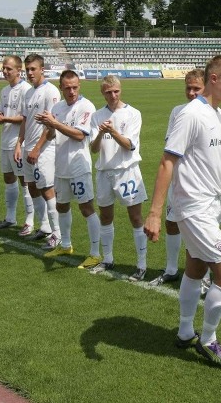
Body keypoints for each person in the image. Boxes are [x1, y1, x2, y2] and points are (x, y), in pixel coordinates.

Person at [144, 54, 221, 367]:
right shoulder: (190, 115)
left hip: (210, 204)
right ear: (213, 79)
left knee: (195, 269)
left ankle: (186, 331)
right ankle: (209, 339)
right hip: (193, 207)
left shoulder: (216, 115)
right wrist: (154, 213)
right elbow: (168, 161)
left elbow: (205, 161)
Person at [35, 70, 100, 260]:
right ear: (61, 88)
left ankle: (95, 254)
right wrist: (47, 128)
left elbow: (80, 135)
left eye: (74, 87)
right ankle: (65, 244)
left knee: (86, 208)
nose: (71, 91)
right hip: (61, 166)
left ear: (79, 86)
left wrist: (54, 123)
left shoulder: (86, 106)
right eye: (67, 88)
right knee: (61, 206)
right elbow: (52, 133)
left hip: (78, 167)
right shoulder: (57, 108)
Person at [89, 75, 148, 281]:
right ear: (102, 93)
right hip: (105, 172)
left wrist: (112, 131)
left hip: (127, 171)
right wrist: (99, 134)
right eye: (108, 92)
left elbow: (129, 145)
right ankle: (108, 259)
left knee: (135, 218)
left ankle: (141, 264)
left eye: (116, 91)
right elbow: (94, 149)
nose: (113, 95)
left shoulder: (133, 114)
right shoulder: (97, 116)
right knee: (106, 216)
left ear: (120, 90)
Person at [149, 68, 205, 287]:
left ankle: (205, 277)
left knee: (199, 229)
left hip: (200, 185)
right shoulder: (177, 112)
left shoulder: (215, 114)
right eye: (188, 88)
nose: (191, 93)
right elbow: (170, 148)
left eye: (196, 89)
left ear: (206, 88)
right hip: (177, 181)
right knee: (172, 223)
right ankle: (171, 269)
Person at [15, 54, 59, 246]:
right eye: (27, 70)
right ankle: (44, 226)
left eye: (33, 69)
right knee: (32, 187)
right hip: (28, 148)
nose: (30, 73)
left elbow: (52, 125)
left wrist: (37, 148)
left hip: (44, 149)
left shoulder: (51, 92)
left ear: (42, 69)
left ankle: (57, 234)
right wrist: (19, 143)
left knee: (47, 189)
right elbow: (25, 120)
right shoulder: (28, 93)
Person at [0, 56, 34, 230]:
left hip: (19, 143)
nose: (5, 71)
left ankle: (29, 221)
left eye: (9, 68)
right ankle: (10, 217)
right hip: (5, 140)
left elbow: (25, 118)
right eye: (4, 68)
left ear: (19, 70)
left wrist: (4, 118)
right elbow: (1, 113)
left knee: (25, 181)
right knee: (9, 179)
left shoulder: (26, 90)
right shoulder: (5, 90)